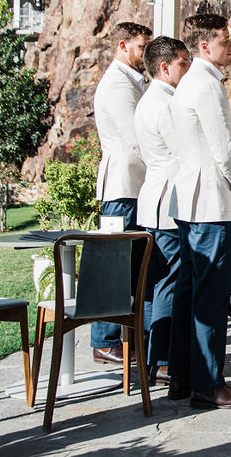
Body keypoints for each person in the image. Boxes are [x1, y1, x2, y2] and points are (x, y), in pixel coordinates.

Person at [167, 13, 231, 409]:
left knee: (188, 293)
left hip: (189, 200)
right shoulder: (206, 84)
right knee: (209, 298)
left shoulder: (189, 83)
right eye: (224, 39)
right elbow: (224, 146)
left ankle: (182, 377)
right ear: (204, 46)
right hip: (209, 203)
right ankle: (208, 383)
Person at [92, 21, 151, 365]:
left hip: (135, 186)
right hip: (123, 185)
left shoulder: (132, 82)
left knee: (132, 266)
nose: (144, 54)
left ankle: (130, 334)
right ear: (122, 45)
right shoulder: (116, 85)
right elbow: (136, 137)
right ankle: (106, 339)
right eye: (141, 47)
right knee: (114, 263)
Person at [134, 36, 190, 387]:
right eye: (183, 63)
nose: (188, 69)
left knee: (159, 284)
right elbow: (183, 150)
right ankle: (165, 358)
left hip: (156, 198)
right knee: (170, 282)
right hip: (169, 203)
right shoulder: (166, 104)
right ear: (165, 67)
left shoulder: (149, 100)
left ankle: (154, 356)